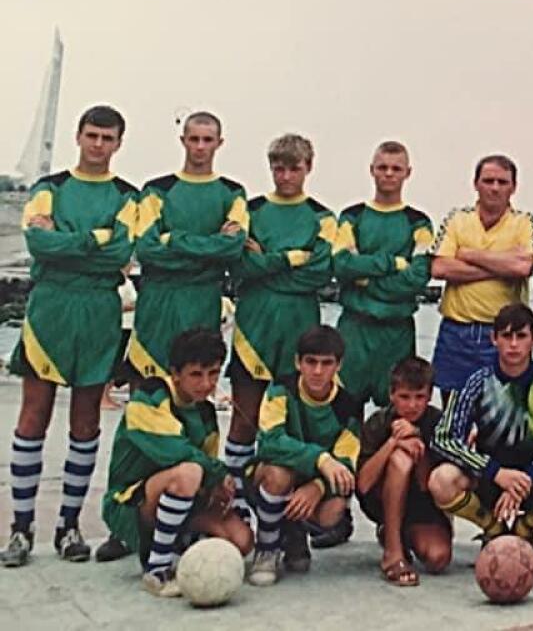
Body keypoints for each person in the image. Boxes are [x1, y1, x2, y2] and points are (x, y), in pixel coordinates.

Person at [3, 105, 139, 567]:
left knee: (85, 422)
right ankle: (21, 529)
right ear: (78, 136)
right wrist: (94, 239)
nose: (98, 144)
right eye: (92, 135)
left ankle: (69, 527)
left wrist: (67, 240)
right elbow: (37, 244)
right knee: (33, 417)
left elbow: (121, 252)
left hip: (99, 311)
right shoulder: (49, 188)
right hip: (51, 308)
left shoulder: (127, 196)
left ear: (119, 143)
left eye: (107, 137)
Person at [225, 133, 335, 526]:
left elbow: (319, 273)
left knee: (294, 423)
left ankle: (289, 519)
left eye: (294, 168)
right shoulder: (251, 211)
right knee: (244, 419)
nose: (285, 176)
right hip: (253, 328)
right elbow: (240, 267)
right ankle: (236, 505)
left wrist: (267, 263)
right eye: (278, 168)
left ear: (309, 167)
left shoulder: (323, 218)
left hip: (299, 328)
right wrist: (292, 259)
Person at [100, 328, 252, 596]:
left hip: (178, 498)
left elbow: (207, 461)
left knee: (241, 541)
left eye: (214, 373)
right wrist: (218, 474)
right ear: (175, 373)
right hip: (129, 501)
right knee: (188, 472)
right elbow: (175, 451)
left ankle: (179, 543)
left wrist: (219, 491)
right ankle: (157, 568)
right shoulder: (151, 395)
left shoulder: (205, 411)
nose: (206, 383)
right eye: (196, 374)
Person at [428, 304, 533, 548]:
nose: (513, 345)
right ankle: (493, 526)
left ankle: (526, 526)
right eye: (506, 336)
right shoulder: (476, 382)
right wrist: (493, 471)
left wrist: (531, 475)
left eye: (521, 336)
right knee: (441, 480)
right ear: (494, 339)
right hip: (489, 477)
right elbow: (443, 438)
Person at [127, 111, 247, 381]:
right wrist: (211, 248)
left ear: (219, 143)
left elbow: (232, 249)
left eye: (207, 140)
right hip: (157, 300)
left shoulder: (232, 193)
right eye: (194, 139)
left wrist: (172, 239)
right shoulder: (156, 190)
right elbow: (146, 250)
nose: (200, 147)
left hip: (203, 301)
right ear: (183, 141)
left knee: (196, 386)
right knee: (146, 388)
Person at [244, 325, 361, 587]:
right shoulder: (280, 390)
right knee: (278, 474)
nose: (318, 371)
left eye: (326, 363)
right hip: (273, 475)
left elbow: (346, 463)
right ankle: (267, 548)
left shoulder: (348, 406)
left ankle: (294, 531)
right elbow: (270, 441)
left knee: (334, 508)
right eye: (310, 362)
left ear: (339, 365)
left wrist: (318, 487)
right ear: (298, 362)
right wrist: (320, 458)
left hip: (312, 481)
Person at [333, 141, 434, 407]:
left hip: (396, 332)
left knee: (398, 412)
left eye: (396, 168)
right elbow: (342, 265)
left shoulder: (418, 222)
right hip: (355, 329)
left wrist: (364, 279)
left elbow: (417, 277)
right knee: (345, 409)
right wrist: (393, 264)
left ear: (408, 173)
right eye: (383, 167)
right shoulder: (351, 217)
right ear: (372, 170)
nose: (389, 174)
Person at [430, 155, 533, 397]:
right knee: (454, 410)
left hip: (505, 335)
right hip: (456, 332)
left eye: (502, 182)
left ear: (513, 187)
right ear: (476, 183)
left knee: (503, 410)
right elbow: (439, 268)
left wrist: (468, 254)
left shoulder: (524, 222)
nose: (495, 188)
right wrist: (501, 264)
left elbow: (522, 268)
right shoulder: (457, 219)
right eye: (488, 181)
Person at [355, 357, 451, 586]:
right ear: (391, 395)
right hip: (381, 496)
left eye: (419, 397)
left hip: (422, 503)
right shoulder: (377, 423)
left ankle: (398, 533)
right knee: (401, 460)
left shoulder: (438, 423)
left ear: (430, 395)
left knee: (438, 558)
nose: (412, 405)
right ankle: (393, 552)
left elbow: (426, 484)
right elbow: (364, 484)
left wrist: (418, 440)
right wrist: (393, 443)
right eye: (404, 397)